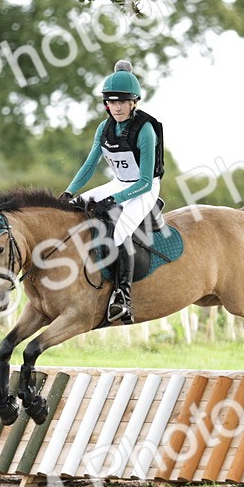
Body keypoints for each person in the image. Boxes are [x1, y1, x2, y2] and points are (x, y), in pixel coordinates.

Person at [62, 60, 164, 324]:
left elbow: (145, 182)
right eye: (111, 102)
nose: (116, 107)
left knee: (119, 233)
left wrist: (113, 200)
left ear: (134, 103)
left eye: (123, 102)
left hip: (144, 188)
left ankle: (123, 297)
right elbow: (89, 165)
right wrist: (70, 192)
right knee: (71, 209)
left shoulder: (145, 130)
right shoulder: (104, 128)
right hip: (119, 182)